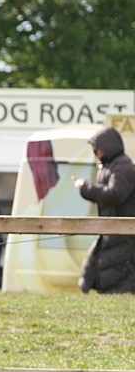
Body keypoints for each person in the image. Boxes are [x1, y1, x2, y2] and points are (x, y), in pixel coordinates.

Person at [75, 126, 135, 294]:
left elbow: (116, 194)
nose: (95, 155)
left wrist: (86, 188)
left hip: (121, 230)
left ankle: (115, 296)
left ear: (107, 147)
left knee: (116, 269)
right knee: (98, 265)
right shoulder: (111, 165)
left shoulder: (122, 166)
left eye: (96, 150)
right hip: (111, 229)